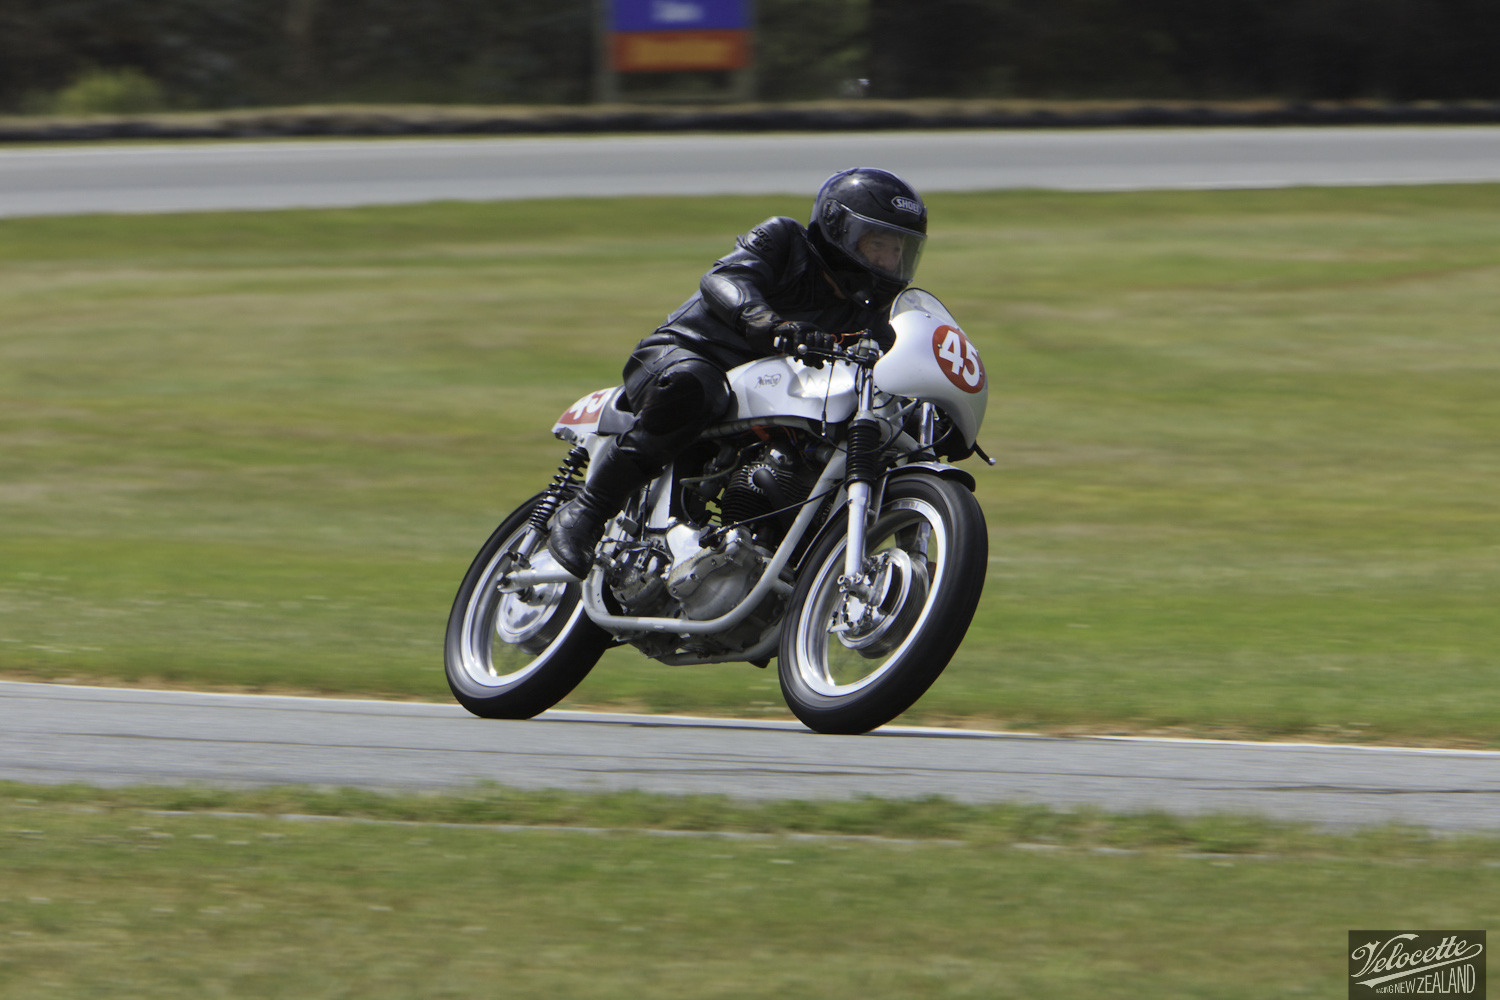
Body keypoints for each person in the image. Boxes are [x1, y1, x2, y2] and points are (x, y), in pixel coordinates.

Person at [547, 166, 929, 578]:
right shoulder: (784, 239)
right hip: (684, 355)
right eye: (879, 244)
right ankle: (585, 514)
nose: (889, 260)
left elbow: (896, 361)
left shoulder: (869, 315)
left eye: (899, 250)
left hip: (763, 394)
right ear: (841, 229)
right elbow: (726, 278)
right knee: (696, 387)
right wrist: (766, 322)